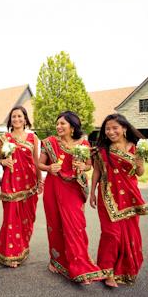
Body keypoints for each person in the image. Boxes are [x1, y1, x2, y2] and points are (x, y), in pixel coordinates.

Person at [38, 111, 103, 284]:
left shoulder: (83, 143)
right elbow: (39, 163)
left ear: (72, 127)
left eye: (63, 124)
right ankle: (57, 261)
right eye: (57, 123)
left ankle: (80, 266)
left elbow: (89, 165)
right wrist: (48, 168)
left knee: (75, 226)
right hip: (53, 186)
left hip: (73, 189)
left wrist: (84, 165)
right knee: (55, 224)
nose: (58, 127)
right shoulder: (50, 142)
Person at [90, 114, 148, 287]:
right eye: (107, 129)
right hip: (108, 197)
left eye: (115, 128)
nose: (110, 132)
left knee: (130, 235)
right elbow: (97, 172)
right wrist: (92, 192)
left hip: (130, 198)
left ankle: (125, 270)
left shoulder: (136, 148)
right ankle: (107, 271)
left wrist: (139, 161)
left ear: (124, 128)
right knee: (112, 235)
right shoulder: (102, 150)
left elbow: (140, 173)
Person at [0, 106, 43, 267]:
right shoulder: (4, 138)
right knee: (10, 218)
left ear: (25, 119)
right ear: (10, 120)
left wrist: (40, 180)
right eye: (13, 117)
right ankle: (9, 254)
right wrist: (3, 161)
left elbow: (36, 161)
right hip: (11, 184)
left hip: (29, 184)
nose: (16, 119)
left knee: (26, 219)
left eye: (19, 116)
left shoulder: (33, 138)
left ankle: (21, 249)